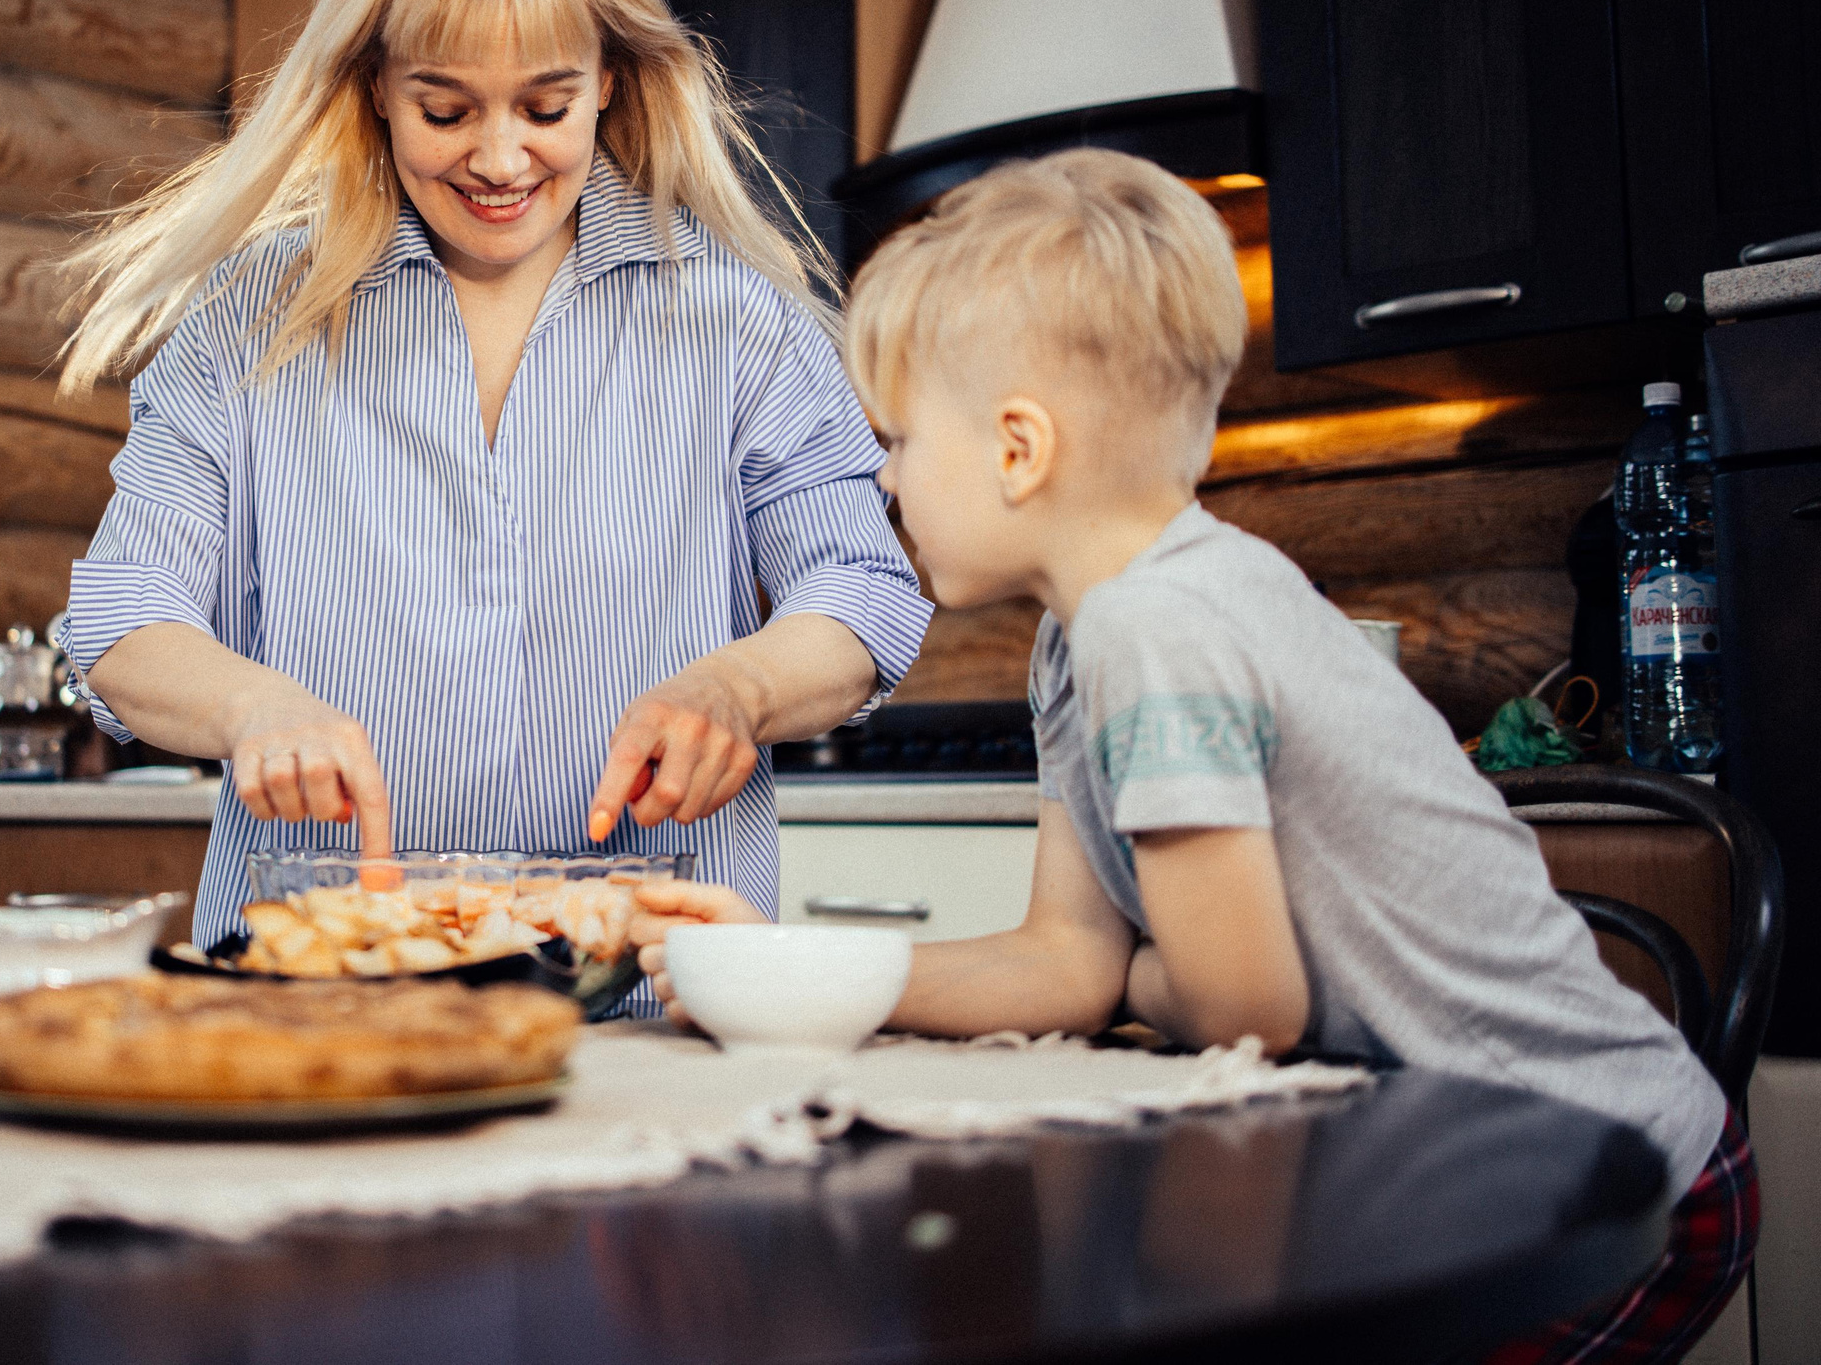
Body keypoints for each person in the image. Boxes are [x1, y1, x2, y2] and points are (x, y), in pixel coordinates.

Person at [635, 148, 1754, 1359]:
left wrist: (1138, 981)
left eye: (898, 440)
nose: (887, 481)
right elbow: (1063, 963)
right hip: (1458, 1154)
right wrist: (782, 970)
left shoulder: (1153, 627)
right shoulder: (1082, 637)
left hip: (1601, 1175)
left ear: (1018, 448)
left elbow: (1242, 1006)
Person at [53, 0, 932, 980]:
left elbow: (861, 592)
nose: (501, 157)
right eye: (445, 106)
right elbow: (124, 615)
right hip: (333, 983)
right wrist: (248, 704)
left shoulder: (735, 321)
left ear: (610, 77)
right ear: (373, 83)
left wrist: (739, 688)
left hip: (652, 990)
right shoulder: (245, 320)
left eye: (546, 104)